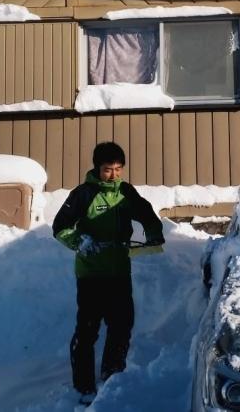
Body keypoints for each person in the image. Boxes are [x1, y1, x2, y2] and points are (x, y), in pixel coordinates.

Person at [52, 141, 165, 401]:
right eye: (107, 170)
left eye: (118, 169)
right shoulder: (83, 194)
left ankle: (112, 376)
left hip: (119, 271)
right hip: (91, 273)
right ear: (97, 169)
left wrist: (153, 231)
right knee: (87, 330)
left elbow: (146, 213)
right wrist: (80, 241)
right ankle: (83, 386)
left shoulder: (126, 192)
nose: (113, 175)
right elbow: (60, 227)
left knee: (122, 325)